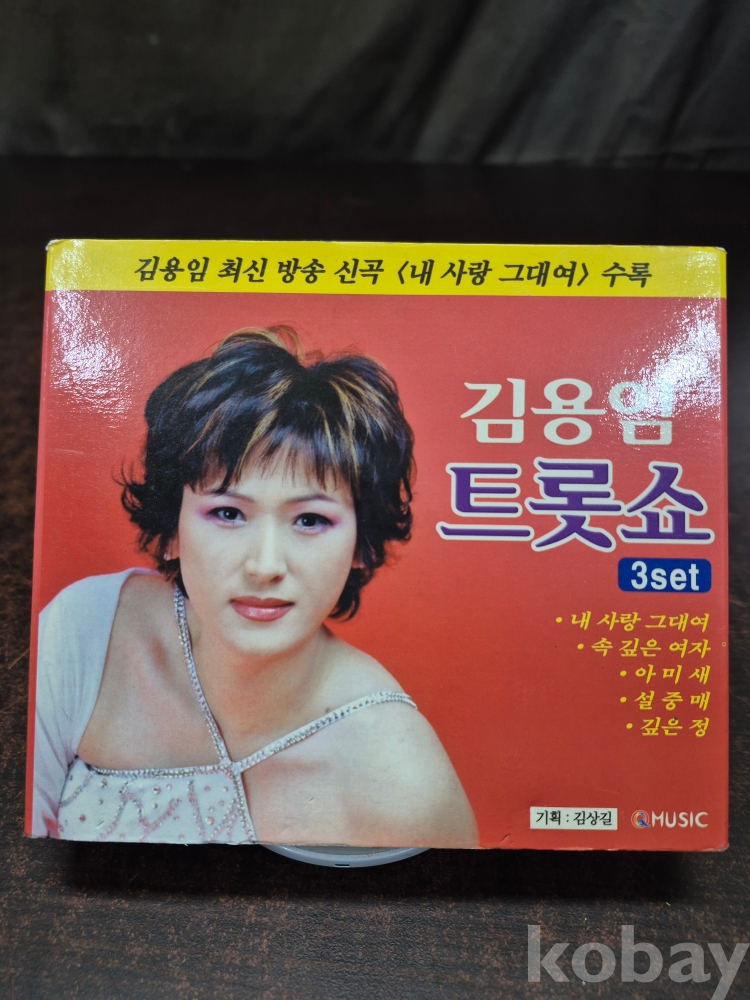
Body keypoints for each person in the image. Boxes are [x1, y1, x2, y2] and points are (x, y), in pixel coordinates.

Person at [33, 327, 477, 847]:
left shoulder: (404, 782)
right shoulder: (85, 631)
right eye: (227, 513)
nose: (265, 566)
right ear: (172, 530)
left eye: (310, 520)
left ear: (362, 544)